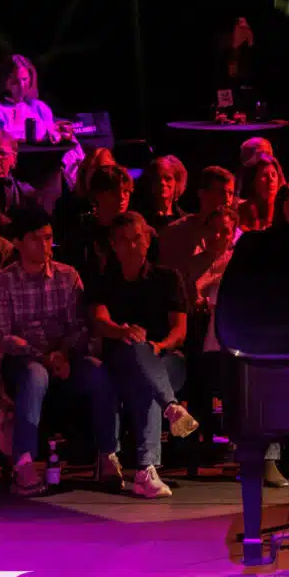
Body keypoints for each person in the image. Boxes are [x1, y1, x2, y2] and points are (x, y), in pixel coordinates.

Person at [0, 205, 114, 496]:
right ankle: (23, 463)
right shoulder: (1, 283)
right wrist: (43, 356)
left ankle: (108, 453)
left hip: (64, 357)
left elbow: (79, 326)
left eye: (48, 238)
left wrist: (64, 354)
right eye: (35, 239)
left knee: (97, 372)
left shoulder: (67, 276)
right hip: (23, 362)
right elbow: (3, 337)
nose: (44, 245)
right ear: (17, 242)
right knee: (35, 375)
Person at [87, 211, 197, 499]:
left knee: (146, 372)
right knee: (136, 353)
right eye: (125, 241)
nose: (133, 246)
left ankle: (146, 468)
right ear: (113, 245)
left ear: (148, 239)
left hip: (167, 359)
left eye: (138, 238)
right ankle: (150, 459)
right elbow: (99, 321)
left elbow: (180, 330)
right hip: (121, 360)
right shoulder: (104, 280)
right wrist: (121, 331)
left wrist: (157, 347)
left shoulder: (167, 278)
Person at [0, 54, 79, 191]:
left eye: (25, 79)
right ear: (4, 82)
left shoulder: (39, 107)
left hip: (45, 168)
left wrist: (61, 133)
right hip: (16, 170)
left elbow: (54, 135)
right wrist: (40, 133)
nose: (21, 86)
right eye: (15, 82)